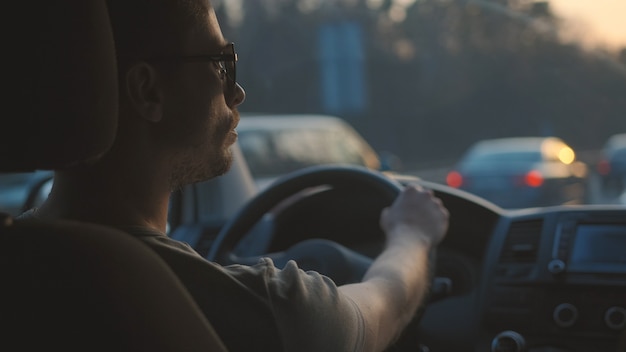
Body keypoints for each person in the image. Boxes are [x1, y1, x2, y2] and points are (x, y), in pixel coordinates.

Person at [21, 0, 449, 351]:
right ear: (148, 91)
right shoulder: (243, 311)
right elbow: (380, 308)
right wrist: (412, 235)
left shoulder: (21, 265)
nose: (237, 91)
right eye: (221, 63)